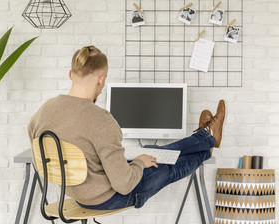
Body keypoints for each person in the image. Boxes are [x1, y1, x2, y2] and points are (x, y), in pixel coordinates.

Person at [27, 45, 226, 210]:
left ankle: (206, 136)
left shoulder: (42, 112)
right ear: (101, 79)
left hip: (75, 194)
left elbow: (41, 163)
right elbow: (124, 185)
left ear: (71, 74)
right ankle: (207, 144)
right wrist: (138, 164)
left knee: (152, 153)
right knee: (165, 167)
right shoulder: (101, 120)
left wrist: (138, 159)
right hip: (108, 198)